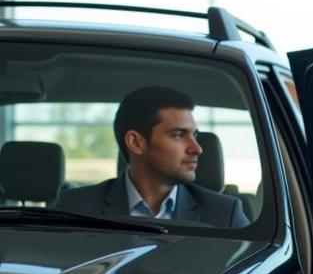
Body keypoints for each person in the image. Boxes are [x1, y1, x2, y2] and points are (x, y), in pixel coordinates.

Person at [57, 85, 247, 229]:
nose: (196, 148)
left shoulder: (224, 215)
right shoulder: (77, 208)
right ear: (136, 143)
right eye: (179, 135)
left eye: (194, 135)